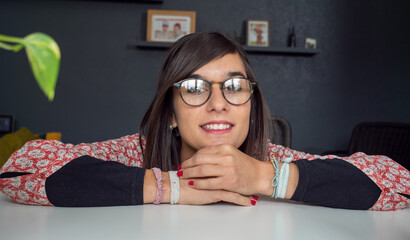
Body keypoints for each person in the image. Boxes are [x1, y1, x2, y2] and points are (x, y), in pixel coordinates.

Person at [0, 32, 409, 210]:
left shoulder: (271, 159)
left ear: (251, 103)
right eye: (195, 88)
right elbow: (18, 169)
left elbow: (401, 184)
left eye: (234, 86)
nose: (218, 103)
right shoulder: (135, 152)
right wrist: (170, 186)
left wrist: (268, 179)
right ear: (172, 114)